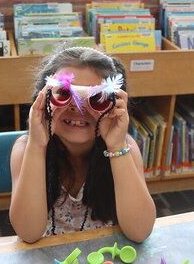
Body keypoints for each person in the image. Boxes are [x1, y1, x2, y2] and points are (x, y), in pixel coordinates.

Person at [9, 46, 156, 244]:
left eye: (97, 98)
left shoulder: (124, 148)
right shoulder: (27, 149)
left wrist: (115, 147)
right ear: (42, 100)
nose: (78, 109)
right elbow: (28, 233)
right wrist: (37, 146)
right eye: (63, 94)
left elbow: (140, 231)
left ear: (114, 105)